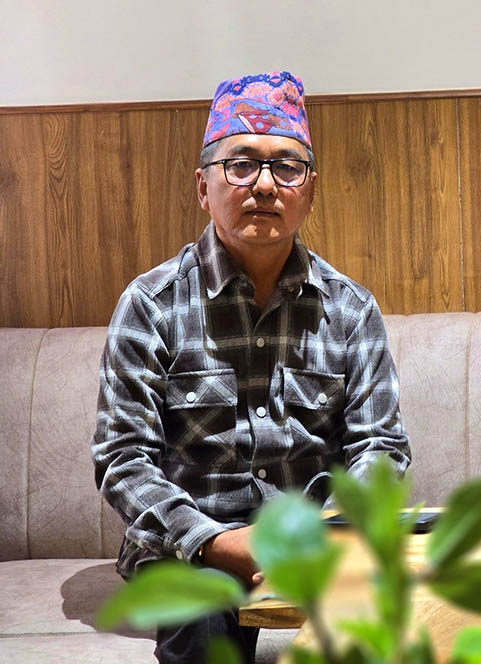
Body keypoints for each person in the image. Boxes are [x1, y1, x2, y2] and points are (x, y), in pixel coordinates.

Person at [91, 71, 411, 663]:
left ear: (309, 191)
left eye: (286, 167)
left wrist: (331, 533)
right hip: (196, 548)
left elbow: (381, 448)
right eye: (240, 164)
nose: (264, 184)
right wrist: (217, 542)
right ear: (203, 186)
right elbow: (122, 458)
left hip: (317, 541)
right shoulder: (152, 305)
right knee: (202, 623)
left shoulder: (350, 309)